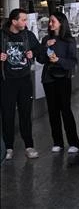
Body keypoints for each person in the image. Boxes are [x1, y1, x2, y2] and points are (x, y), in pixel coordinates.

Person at [0, 8, 43, 160]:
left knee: (26, 114)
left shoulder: (28, 35)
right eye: (23, 20)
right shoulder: (2, 36)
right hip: (7, 82)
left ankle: (29, 146)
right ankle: (9, 147)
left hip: (24, 81)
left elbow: (39, 51)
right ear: (14, 21)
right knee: (8, 114)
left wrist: (34, 53)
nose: (26, 22)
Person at [38, 12, 79, 154]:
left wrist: (59, 60)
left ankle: (74, 142)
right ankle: (58, 142)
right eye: (50, 21)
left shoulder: (69, 40)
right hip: (48, 78)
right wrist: (45, 47)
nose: (50, 24)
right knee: (52, 111)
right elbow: (40, 59)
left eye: (53, 21)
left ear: (61, 23)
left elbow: (73, 62)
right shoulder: (46, 39)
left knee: (66, 109)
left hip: (63, 78)